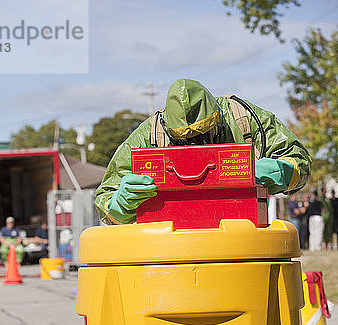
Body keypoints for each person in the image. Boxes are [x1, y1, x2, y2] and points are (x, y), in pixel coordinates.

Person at [96, 79, 311, 225]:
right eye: (183, 138)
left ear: (217, 116)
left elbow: (300, 162)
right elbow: (105, 202)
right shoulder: (150, 135)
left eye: (203, 133)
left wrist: (280, 171)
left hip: (242, 240)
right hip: (173, 247)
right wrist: (119, 203)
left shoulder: (241, 117)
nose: (195, 144)